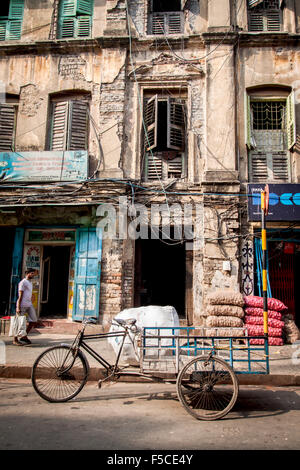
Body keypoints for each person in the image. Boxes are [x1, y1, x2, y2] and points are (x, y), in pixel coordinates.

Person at [13, 268, 38, 346]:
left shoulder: (30, 283)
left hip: (29, 304)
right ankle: (15, 339)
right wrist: (18, 307)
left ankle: (24, 336)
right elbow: (20, 296)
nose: (33, 275)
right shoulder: (22, 282)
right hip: (22, 305)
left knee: (33, 320)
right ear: (28, 273)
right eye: (32, 273)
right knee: (19, 322)